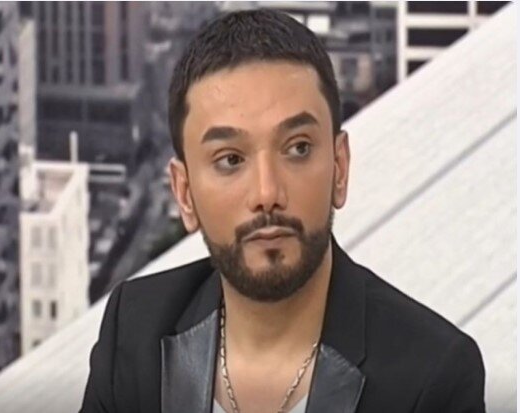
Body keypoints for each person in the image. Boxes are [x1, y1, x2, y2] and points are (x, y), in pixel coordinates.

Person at [80, 9, 485, 413]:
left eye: (298, 148)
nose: (267, 193)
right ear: (185, 194)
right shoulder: (133, 331)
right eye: (230, 159)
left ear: (340, 168)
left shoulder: (433, 377)